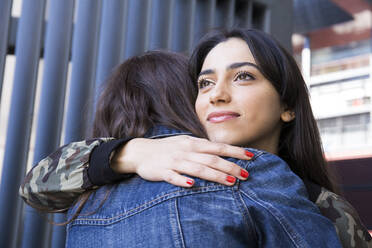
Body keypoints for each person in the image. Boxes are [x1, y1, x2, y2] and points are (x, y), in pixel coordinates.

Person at [20, 29, 371, 247]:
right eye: (204, 83)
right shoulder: (155, 165)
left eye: (244, 77)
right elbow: (34, 186)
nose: (216, 94)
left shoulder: (319, 203)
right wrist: (132, 153)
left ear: (288, 105)